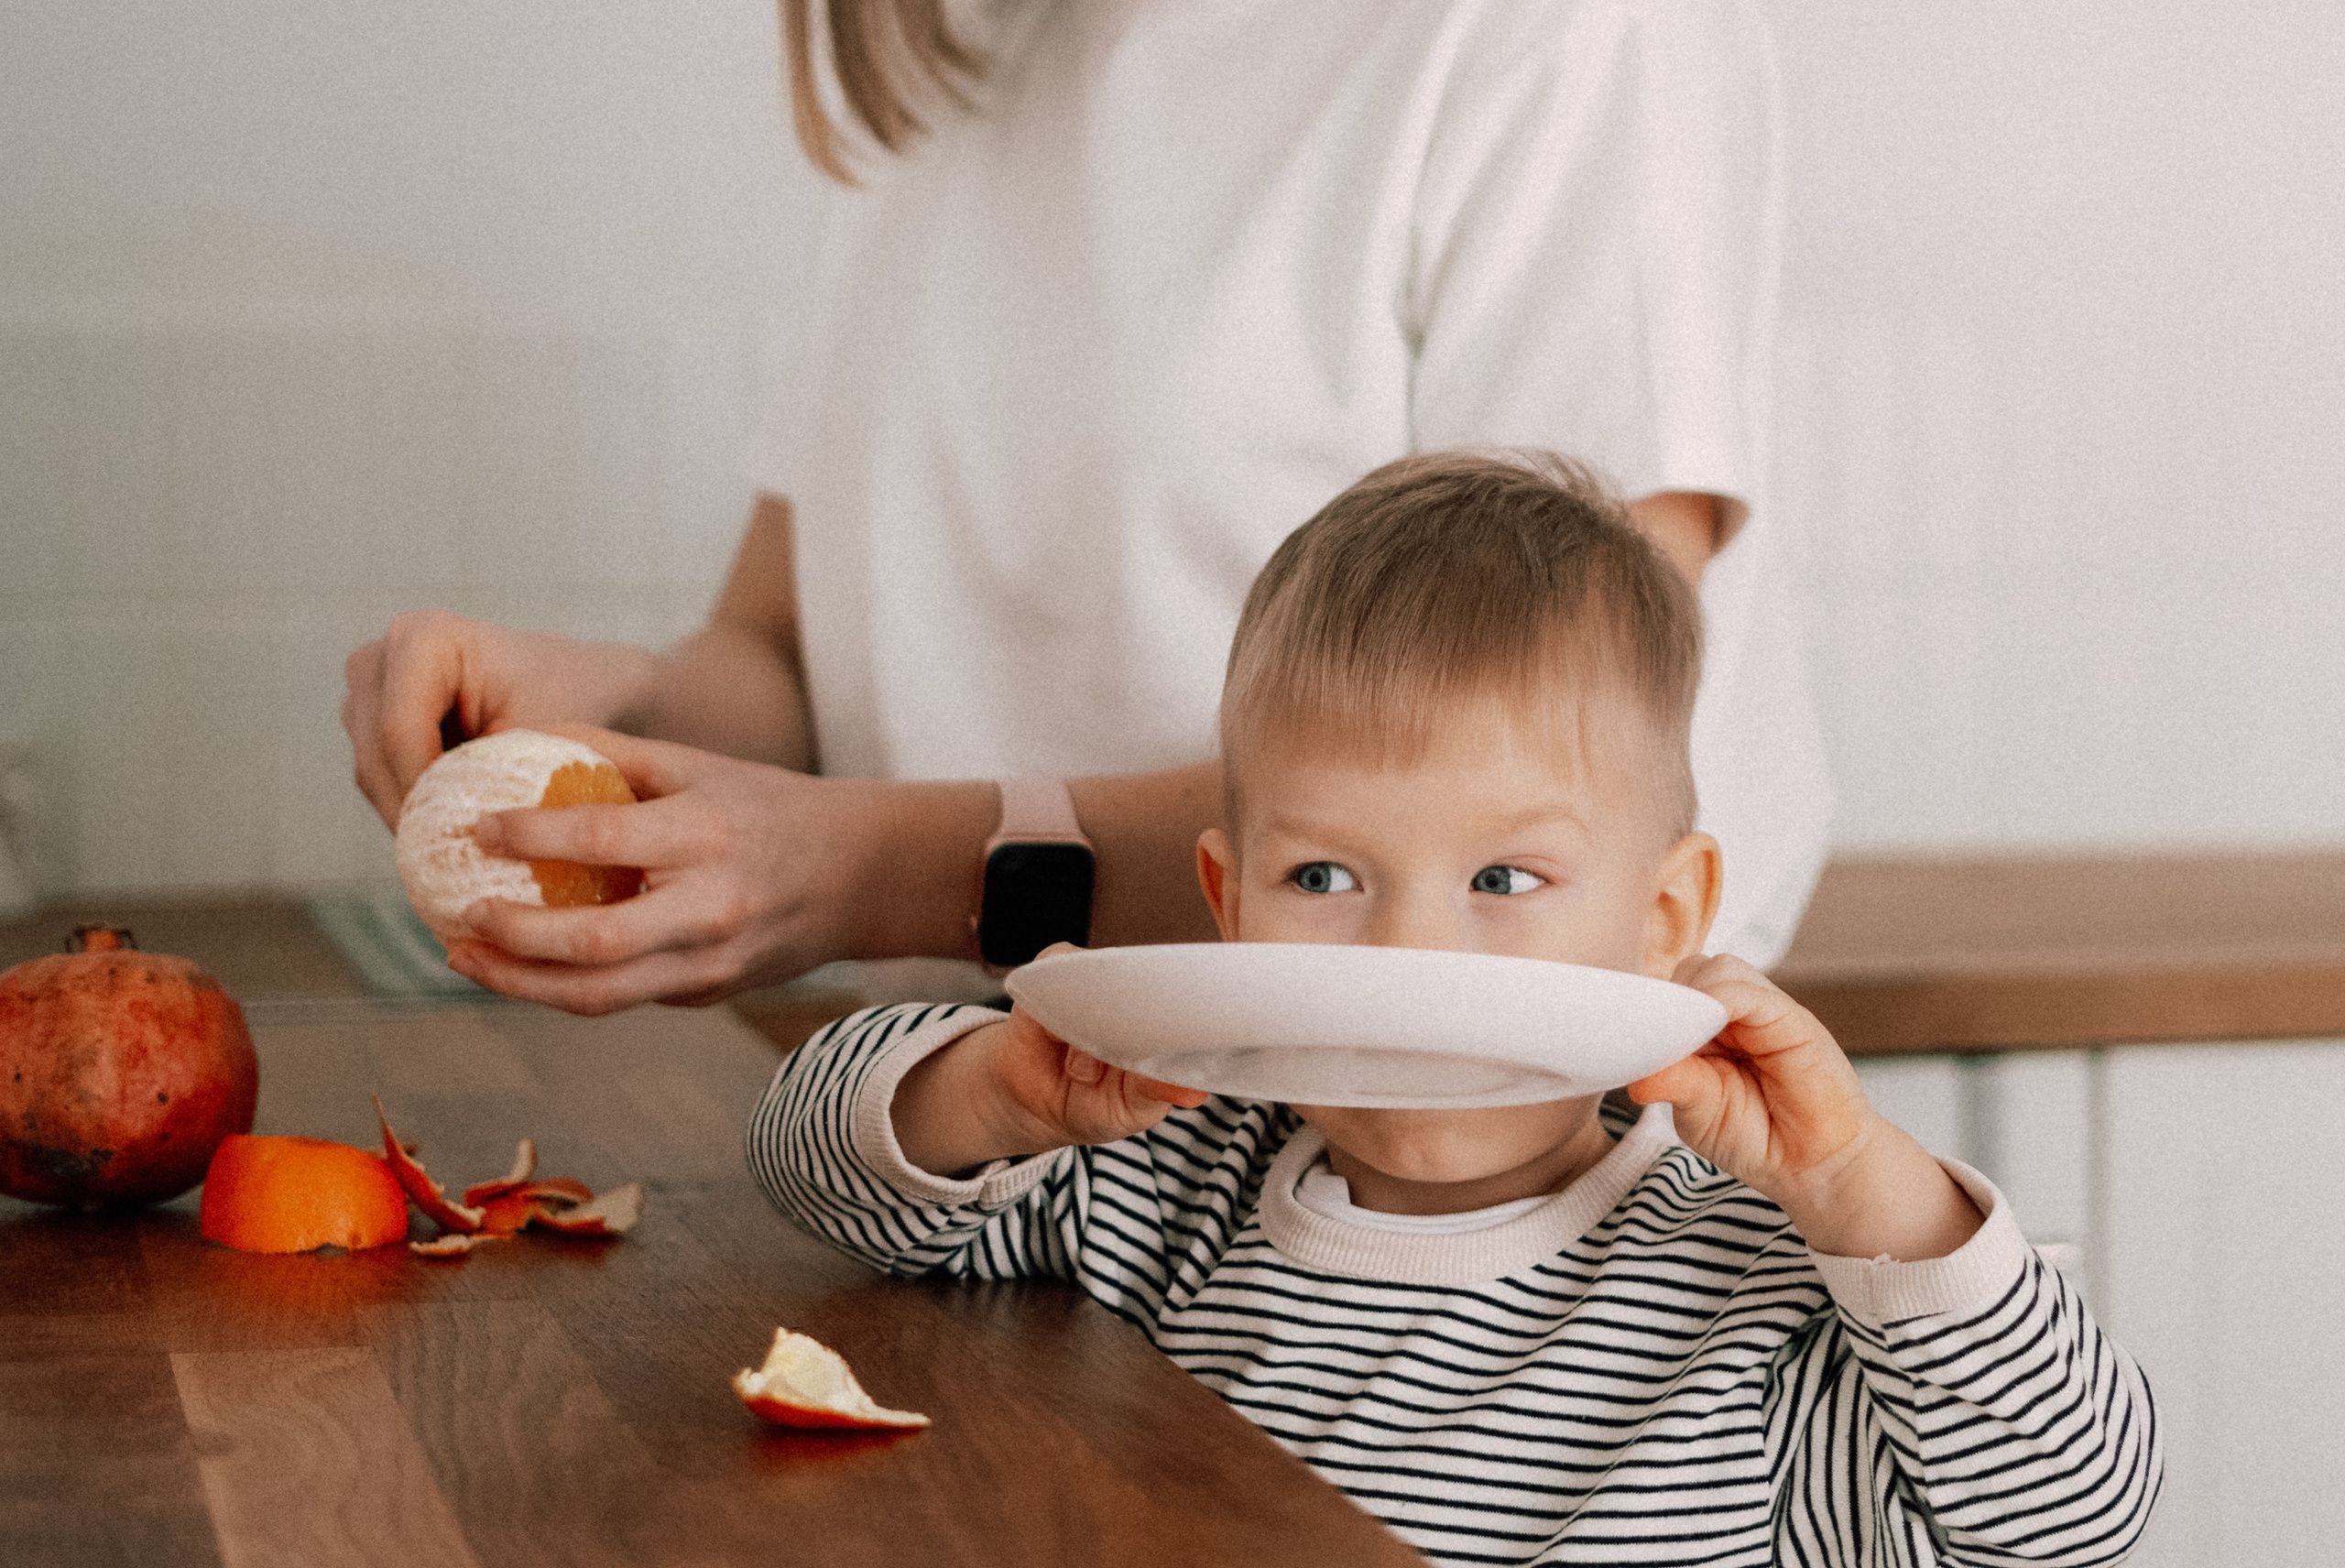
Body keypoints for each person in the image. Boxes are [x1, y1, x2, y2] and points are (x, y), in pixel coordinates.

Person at [748, 452, 2159, 1567]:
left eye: (1503, 874)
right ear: (1226, 905)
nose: (1410, 948)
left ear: (1661, 923)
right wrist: (1000, 1088)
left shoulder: (1754, 1296)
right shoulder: (1156, 1182)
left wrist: (1862, 1187)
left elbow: (2071, 1517)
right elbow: (809, 1165)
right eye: (1324, 874)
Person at [342, 0, 1831, 1015]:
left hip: (1430, 1186)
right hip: (990, 1125)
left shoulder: (1565, 32)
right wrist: (606, 725)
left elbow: (1546, 762)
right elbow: (790, 662)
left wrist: (866, 871)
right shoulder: (972, 52)